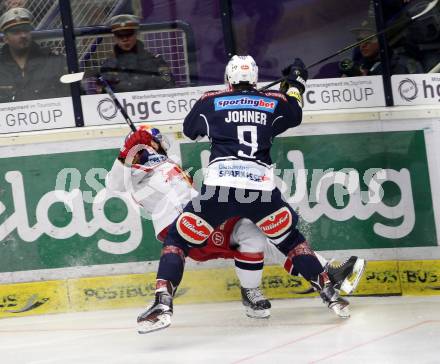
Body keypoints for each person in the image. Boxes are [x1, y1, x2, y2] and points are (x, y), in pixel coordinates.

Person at [136, 55, 362, 334]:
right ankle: (329, 293)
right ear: (255, 78)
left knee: (177, 240)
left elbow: (189, 129)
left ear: (228, 79)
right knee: (292, 241)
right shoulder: (274, 101)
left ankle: (163, 303)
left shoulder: (210, 99)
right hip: (262, 191)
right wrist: (295, 82)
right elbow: (295, 112)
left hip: (221, 189)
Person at [105, 124, 366, 332]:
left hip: (203, 217)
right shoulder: (135, 172)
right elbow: (114, 183)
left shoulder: (169, 164)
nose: (155, 146)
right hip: (184, 228)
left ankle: (326, 273)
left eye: (155, 142)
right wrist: (127, 151)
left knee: (264, 229)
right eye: (151, 142)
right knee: (252, 233)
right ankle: (258, 292)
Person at [0, 7, 69, 103]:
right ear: (5, 39)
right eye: (16, 32)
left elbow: (70, 95)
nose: (23, 35)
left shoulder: (53, 61)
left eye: (26, 30)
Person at [98, 14, 174, 93]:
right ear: (115, 37)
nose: (125, 39)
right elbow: (102, 96)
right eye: (120, 35)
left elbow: (169, 89)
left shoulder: (155, 61)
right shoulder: (108, 66)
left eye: (129, 34)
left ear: (136, 34)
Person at [339, 17, 423, 77]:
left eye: (369, 39)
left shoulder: (403, 64)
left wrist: (369, 82)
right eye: (360, 41)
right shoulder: (358, 67)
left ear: (382, 39)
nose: (363, 45)